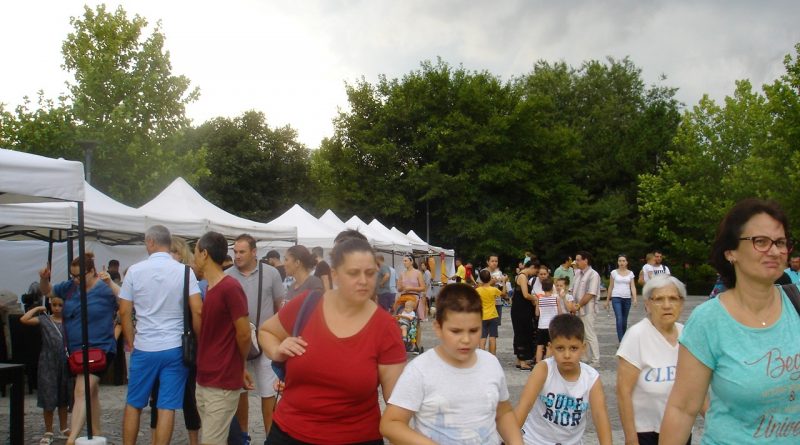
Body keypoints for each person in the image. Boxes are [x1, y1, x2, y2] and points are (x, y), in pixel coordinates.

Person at [660, 198, 799, 443]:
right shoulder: (708, 320)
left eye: (780, 242)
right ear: (731, 252)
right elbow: (682, 409)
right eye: (761, 241)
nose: (775, 251)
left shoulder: (796, 306)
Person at [259, 237, 407, 444]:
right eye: (353, 273)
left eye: (370, 273)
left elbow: (396, 404)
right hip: (288, 433)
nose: (363, 281)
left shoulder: (385, 328)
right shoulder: (307, 304)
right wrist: (277, 350)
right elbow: (266, 331)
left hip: (355, 438)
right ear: (335, 274)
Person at [380, 283, 523, 445]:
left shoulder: (491, 363)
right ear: (438, 327)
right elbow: (391, 424)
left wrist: (516, 441)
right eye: (456, 331)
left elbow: (503, 412)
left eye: (474, 330)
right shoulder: (420, 370)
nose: (466, 339)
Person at [118, 226, 202, 445]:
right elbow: (197, 310)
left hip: (144, 345)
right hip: (175, 347)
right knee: (167, 406)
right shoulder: (185, 272)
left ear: (150, 242)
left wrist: (131, 341)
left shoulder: (134, 271)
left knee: (134, 404)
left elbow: (124, 311)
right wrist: (199, 340)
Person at [39, 253, 117, 445]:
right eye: (72, 275)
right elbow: (47, 292)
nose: (75, 280)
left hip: (100, 349)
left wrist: (111, 284)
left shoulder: (104, 288)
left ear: (91, 272)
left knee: (81, 390)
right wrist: (44, 278)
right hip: (77, 351)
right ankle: (97, 432)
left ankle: (72, 438)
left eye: (79, 276)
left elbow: (125, 299)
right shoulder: (70, 287)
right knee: (92, 392)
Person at [616, 274, 694, 445]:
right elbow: (623, 392)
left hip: (680, 429)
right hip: (646, 431)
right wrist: (631, 439)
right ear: (647, 304)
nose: (667, 305)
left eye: (673, 298)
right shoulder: (636, 336)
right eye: (659, 299)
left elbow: (695, 387)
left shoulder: (687, 335)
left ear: (681, 303)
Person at [193, 231, 255, 445]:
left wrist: (240, 364)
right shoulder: (210, 288)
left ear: (204, 254)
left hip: (221, 382)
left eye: (195, 252)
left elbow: (244, 333)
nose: (193, 258)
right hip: (205, 379)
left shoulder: (230, 287)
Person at [514, 314, 612, 445]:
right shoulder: (543, 369)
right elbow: (524, 405)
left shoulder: (591, 378)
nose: (567, 355)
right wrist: (510, 439)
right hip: (534, 440)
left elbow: (600, 416)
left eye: (573, 348)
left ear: (583, 347)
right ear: (550, 348)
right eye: (560, 348)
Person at [227, 234, 285, 442]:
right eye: (235, 252)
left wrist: (277, 336)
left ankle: (270, 438)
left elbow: (279, 307)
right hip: (237, 342)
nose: (237, 256)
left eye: (242, 252)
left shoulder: (271, 273)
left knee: (268, 392)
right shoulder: (227, 276)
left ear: (254, 252)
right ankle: (243, 438)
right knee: (240, 392)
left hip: (265, 340)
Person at [149, 236, 202, 445]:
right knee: (157, 397)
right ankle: (155, 440)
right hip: (160, 343)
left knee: (189, 397)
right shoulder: (158, 277)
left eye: (173, 252)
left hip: (184, 344)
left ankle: (194, 440)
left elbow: (196, 311)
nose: (169, 255)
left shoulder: (187, 276)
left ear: (181, 255)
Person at [20, 296, 72, 444]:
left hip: (65, 362)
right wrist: (37, 308)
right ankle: (48, 430)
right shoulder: (45, 320)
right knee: (48, 396)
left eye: (60, 305)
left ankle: (64, 427)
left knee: (63, 397)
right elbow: (24, 319)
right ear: (50, 304)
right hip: (48, 362)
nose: (57, 308)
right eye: (54, 305)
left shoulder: (69, 321)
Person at [573, 251, 601, 366]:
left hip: (588, 309)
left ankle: (595, 360)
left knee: (589, 334)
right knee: (580, 334)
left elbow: (590, 293)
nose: (576, 262)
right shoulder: (577, 273)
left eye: (578, 260)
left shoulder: (593, 274)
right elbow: (572, 290)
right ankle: (583, 358)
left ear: (586, 261)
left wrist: (578, 305)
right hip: (577, 309)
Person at [512, 261, 539, 371]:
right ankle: (523, 361)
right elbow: (525, 295)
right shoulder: (523, 276)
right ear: (532, 267)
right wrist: (536, 298)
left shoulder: (522, 276)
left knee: (519, 333)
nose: (535, 273)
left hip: (520, 309)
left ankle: (519, 360)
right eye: (535, 271)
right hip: (521, 310)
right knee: (522, 333)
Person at [604, 254, 638, 342]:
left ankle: (624, 338)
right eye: (620, 261)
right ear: (617, 262)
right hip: (616, 298)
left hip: (627, 298)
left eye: (623, 261)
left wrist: (635, 298)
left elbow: (633, 286)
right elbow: (611, 286)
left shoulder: (630, 273)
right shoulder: (614, 273)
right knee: (619, 319)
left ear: (627, 262)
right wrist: (607, 300)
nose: (621, 263)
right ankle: (621, 341)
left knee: (624, 320)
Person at [535, 278, 562, 363]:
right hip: (552, 326)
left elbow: (537, 313)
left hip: (541, 326)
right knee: (549, 346)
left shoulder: (539, 299)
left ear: (542, 288)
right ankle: (547, 364)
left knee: (540, 346)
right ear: (552, 287)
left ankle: (538, 364)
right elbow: (560, 313)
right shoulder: (556, 298)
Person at [476, 269, 502, 355]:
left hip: (482, 316)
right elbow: (504, 294)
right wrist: (504, 282)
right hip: (493, 315)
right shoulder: (494, 290)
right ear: (490, 278)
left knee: (482, 338)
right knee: (492, 338)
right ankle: (493, 357)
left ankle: (482, 357)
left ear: (480, 279)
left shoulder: (478, 290)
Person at [484, 254, 507, 325]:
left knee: (495, 326)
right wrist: (491, 282)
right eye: (492, 261)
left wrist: (504, 281)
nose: (494, 263)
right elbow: (479, 287)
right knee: (485, 326)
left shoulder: (499, 272)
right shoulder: (483, 272)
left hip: (497, 302)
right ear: (487, 262)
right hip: (486, 304)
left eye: (496, 261)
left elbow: (502, 288)